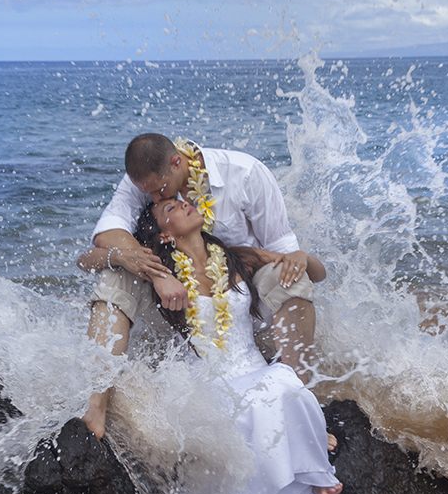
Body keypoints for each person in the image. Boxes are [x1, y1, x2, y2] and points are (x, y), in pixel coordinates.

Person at [87, 196, 377, 494]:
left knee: (281, 379)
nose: (183, 204)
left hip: (253, 371)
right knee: (272, 391)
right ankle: (314, 468)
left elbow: (316, 274)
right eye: (169, 208)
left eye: (183, 199)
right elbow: (89, 261)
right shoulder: (157, 267)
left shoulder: (238, 257)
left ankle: (314, 469)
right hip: (209, 387)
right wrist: (144, 266)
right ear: (163, 233)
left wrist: (303, 257)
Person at [78, 134, 321, 442]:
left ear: (177, 162)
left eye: (159, 190)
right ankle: (95, 402)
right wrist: (156, 272)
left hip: (243, 296)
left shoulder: (246, 174)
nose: (153, 199)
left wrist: (301, 260)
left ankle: (300, 401)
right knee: (115, 274)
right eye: (150, 194)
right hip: (175, 308)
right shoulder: (145, 180)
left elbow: (286, 253)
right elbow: (104, 236)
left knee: (291, 276)